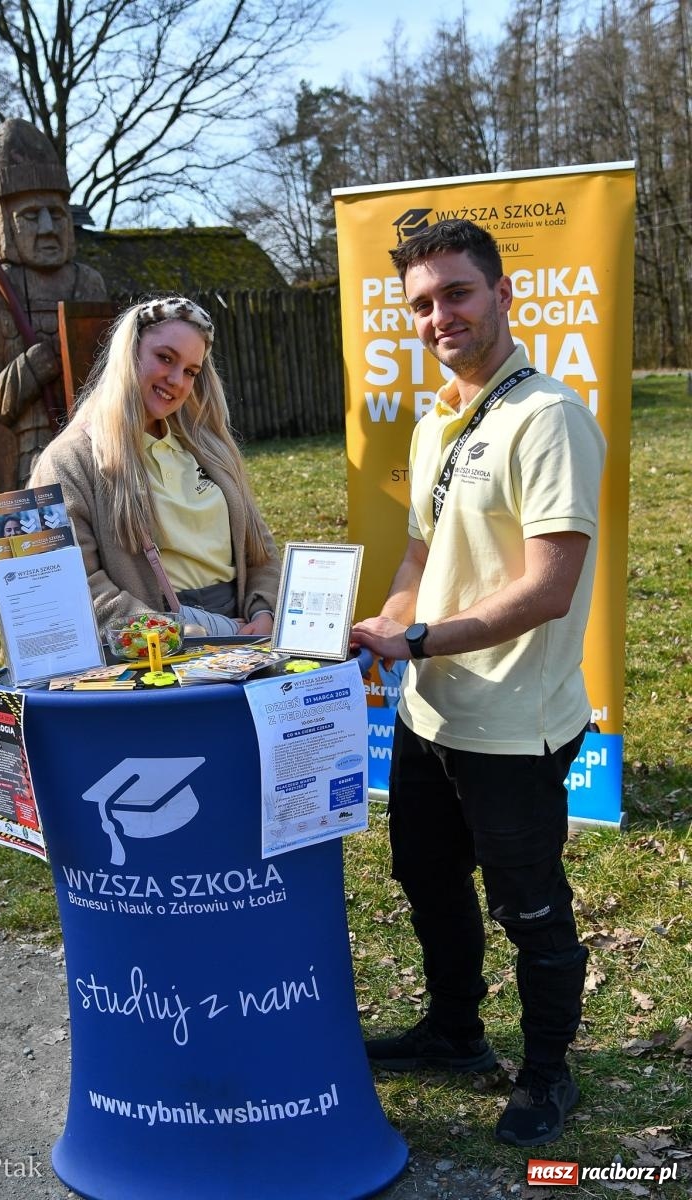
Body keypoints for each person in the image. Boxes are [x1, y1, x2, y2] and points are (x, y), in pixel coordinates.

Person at [350, 219, 606, 1148]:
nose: (438, 316)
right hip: (431, 709)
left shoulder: (548, 418)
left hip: (513, 719)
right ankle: (456, 1032)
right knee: (427, 876)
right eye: (420, 303)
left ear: (502, 295)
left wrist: (416, 638)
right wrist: (389, 623)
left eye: (456, 293)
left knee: (528, 904)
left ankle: (548, 1075)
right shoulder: (434, 423)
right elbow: (422, 551)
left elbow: (548, 588)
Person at [29, 295, 280, 635]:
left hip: (242, 638)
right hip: (149, 656)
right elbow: (73, 584)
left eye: (191, 371)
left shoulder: (211, 448)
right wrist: (170, 633)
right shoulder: (67, 462)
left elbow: (260, 552)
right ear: (129, 353)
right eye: (165, 358)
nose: (177, 380)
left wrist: (263, 611)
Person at [0, 118, 107, 494]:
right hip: (33, 454)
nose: (47, 227)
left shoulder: (88, 282)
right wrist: (29, 369)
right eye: (30, 216)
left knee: (100, 543)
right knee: (45, 548)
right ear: (4, 223)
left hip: (94, 449)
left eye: (56, 214)